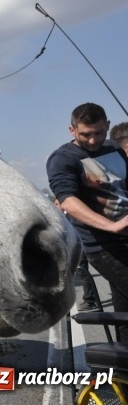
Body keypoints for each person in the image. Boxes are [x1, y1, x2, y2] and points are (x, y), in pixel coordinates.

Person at [47, 102, 128, 343]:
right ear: (72, 130)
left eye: (99, 133)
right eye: (85, 134)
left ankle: (123, 360)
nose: (93, 140)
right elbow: (68, 201)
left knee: (124, 308)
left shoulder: (114, 148)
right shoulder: (63, 158)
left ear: (108, 126)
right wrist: (112, 226)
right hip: (103, 245)